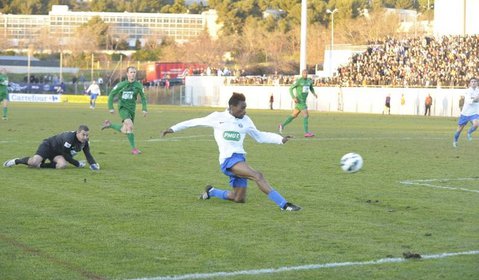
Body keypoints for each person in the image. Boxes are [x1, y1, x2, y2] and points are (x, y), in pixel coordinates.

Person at [161, 92, 301, 211]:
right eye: (241, 108)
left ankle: (212, 191)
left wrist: (280, 139)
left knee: (238, 198)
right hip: (228, 160)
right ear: (232, 107)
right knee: (257, 175)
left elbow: (259, 136)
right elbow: (194, 121)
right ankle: (284, 205)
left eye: (245, 108)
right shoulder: (218, 117)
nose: (244, 111)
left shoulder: (246, 120)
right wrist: (173, 128)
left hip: (240, 159)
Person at [3, 125, 100, 170]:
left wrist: (93, 165)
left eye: (87, 135)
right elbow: (65, 154)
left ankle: (41, 166)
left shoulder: (85, 142)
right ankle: (17, 161)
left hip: (58, 152)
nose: (86, 137)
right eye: (83, 135)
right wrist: (77, 163)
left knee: (62, 165)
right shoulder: (69, 138)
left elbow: (88, 154)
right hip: (48, 146)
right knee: (33, 162)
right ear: (78, 132)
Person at [101, 66, 148, 155]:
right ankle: (134, 149)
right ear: (127, 74)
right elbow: (111, 95)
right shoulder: (121, 85)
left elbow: (143, 98)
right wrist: (110, 107)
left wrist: (144, 109)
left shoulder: (139, 86)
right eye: (131, 72)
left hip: (132, 110)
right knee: (130, 126)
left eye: (134, 72)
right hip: (123, 109)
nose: (133, 74)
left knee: (125, 130)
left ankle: (110, 125)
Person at [279, 69, 318, 137]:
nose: (305, 75)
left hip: (303, 100)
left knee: (294, 115)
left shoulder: (309, 81)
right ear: (302, 74)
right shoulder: (298, 81)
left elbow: (311, 88)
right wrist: (293, 97)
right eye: (304, 73)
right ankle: (306, 132)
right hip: (300, 100)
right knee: (306, 115)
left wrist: (314, 93)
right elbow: (290, 88)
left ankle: (282, 125)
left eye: (306, 73)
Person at [453, 77, 479, 147]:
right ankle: (455, 141)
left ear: (477, 83)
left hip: (474, 113)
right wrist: (475, 99)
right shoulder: (468, 91)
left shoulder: (478, 91)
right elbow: (468, 101)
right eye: (472, 81)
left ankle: (469, 132)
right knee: (459, 130)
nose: (473, 83)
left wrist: (476, 99)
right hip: (465, 113)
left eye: (475, 81)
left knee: (476, 124)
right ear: (470, 83)